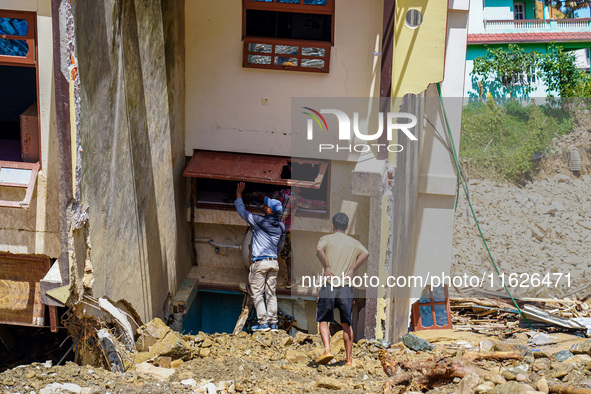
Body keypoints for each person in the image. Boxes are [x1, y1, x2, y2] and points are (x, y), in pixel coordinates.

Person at [315, 213, 369, 366]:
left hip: (329, 286)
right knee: (346, 323)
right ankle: (349, 360)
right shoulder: (354, 243)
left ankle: (327, 350)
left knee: (324, 320)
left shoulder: (326, 239)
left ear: (333, 226)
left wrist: (326, 267)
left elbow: (319, 249)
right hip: (345, 288)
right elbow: (366, 253)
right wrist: (352, 269)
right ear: (346, 226)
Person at [235, 182, 286, 332]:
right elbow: (281, 246)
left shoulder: (258, 221)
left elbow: (241, 210)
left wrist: (239, 193)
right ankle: (273, 323)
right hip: (273, 262)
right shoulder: (281, 227)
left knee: (257, 293)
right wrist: (273, 256)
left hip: (260, 262)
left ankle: (263, 323)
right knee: (271, 293)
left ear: (269, 210)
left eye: (266, 205)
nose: (264, 206)